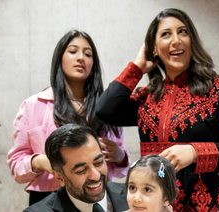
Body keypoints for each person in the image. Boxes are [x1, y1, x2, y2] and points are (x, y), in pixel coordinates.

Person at [96, 8, 219, 211]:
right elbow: (105, 109)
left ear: (192, 41)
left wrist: (194, 152)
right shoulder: (147, 96)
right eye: (166, 34)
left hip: (206, 205)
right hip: (153, 205)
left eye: (183, 32)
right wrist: (138, 65)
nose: (176, 40)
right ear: (154, 47)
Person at [8, 30, 130, 206]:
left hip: (97, 195)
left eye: (88, 54)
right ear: (60, 59)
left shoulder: (106, 107)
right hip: (49, 199)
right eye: (73, 51)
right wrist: (40, 161)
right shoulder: (33, 105)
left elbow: (121, 170)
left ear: (93, 64)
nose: (81, 58)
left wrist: (120, 156)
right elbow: (16, 166)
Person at [23, 124, 129, 212]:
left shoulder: (135, 195)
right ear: (60, 177)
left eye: (99, 162)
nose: (96, 176)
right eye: (81, 170)